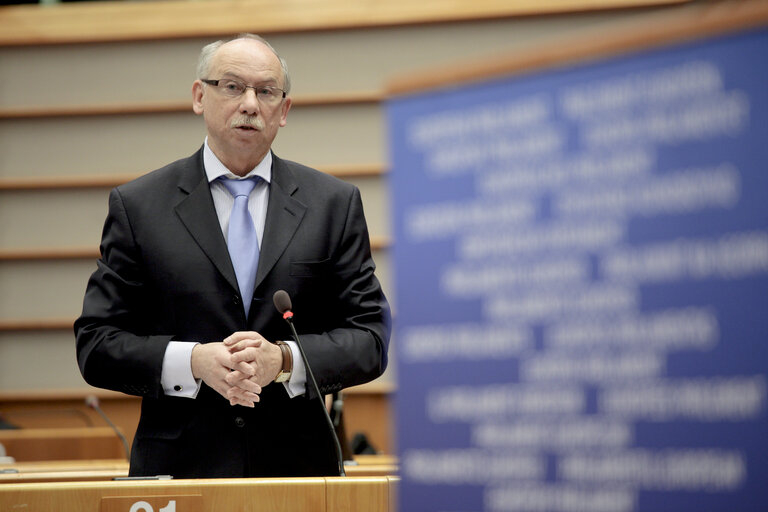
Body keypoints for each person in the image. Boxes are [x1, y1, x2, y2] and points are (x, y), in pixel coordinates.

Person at [74, 33, 390, 478]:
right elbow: (97, 343)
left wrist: (282, 361)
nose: (249, 104)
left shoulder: (332, 205)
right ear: (199, 96)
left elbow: (370, 338)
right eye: (232, 86)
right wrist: (192, 362)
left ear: (284, 111)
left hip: (299, 471)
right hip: (182, 470)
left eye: (266, 91)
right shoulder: (140, 206)